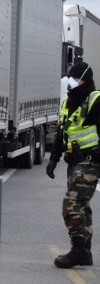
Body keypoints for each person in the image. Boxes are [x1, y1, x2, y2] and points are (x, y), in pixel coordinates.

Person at [47, 61, 99, 268]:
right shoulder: (68, 102)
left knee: (71, 205)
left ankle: (78, 250)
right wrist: (53, 159)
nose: (71, 81)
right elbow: (62, 133)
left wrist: (95, 153)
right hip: (74, 163)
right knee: (82, 207)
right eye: (70, 77)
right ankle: (84, 251)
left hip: (89, 162)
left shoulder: (95, 100)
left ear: (85, 79)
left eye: (75, 78)